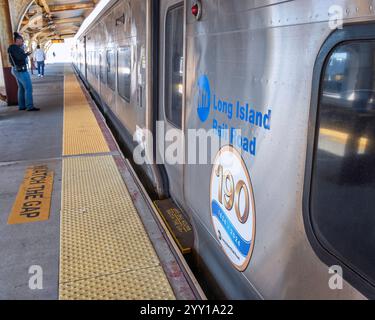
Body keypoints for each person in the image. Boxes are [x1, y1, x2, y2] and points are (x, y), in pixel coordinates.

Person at [7, 32, 39, 111]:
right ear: (17, 40)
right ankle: (30, 106)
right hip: (20, 70)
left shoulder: (13, 48)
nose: (23, 42)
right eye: (22, 41)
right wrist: (26, 54)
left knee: (21, 88)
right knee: (28, 88)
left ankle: (22, 106)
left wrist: (25, 54)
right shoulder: (15, 48)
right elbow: (19, 57)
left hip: (16, 69)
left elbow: (18, 56)